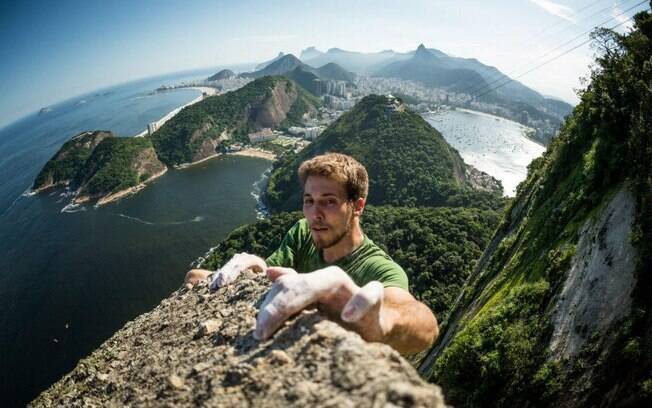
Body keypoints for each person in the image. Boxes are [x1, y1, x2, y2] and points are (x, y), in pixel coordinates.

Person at [185, 153, 438, 354]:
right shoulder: (303, 232)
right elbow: (270, 271)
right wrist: (254, 265)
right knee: (195, 275)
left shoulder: (379, 268)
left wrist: (380, 321)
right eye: (309, 200)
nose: (314, 214)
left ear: (357, 206)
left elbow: (423, 325)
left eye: (328, 201)